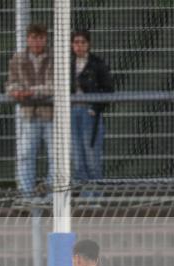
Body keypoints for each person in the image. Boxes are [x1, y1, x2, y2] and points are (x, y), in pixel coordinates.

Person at [6, 23, 54, 196]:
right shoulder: (18, 58)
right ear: (27, 39)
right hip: (29, 115)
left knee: (56, 157)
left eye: (40, 37)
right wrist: (16, 91)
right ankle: (26, 195)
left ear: (46, 39)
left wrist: (31, 91)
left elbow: (55, 86)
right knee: (26, 155)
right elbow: (10, 83)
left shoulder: (55, 57)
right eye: (33, 37)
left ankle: (51, 196)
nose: (37, 41)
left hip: (52, 116)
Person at [70, 30, 112, 184]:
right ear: (71, 44)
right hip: (71, 112)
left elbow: (108, 89)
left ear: (88, 44)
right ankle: (83, 197)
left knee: (91, 155)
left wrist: (95, 108)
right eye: (76, 42)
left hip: (90, 113)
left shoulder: (97, 63)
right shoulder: (66, 64)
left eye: (83, 42)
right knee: (76, 157)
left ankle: (93, 197)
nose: (79, 46)